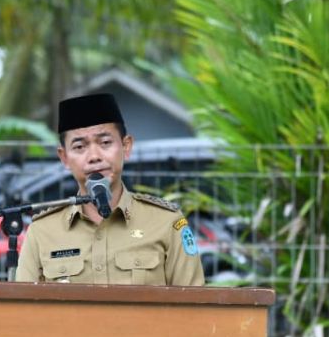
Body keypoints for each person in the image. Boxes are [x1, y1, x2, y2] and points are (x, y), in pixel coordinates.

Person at [14, 93, 205, 286]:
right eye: (80, 146)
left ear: (126, 146)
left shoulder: (166, 222)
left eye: (105, 143)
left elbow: (194, 308)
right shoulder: (42, 231)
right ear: (64, 158)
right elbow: (24, 311)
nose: (94, 156)